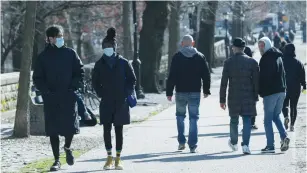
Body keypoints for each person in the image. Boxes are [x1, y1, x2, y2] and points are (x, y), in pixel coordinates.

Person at [33, 25, 84, 171]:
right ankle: (56, 160)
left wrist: (73, 87)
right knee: (53, 130)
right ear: (49, 39)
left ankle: (67, 147)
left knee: (70, 127)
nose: (59, 38)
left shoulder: (70, 53)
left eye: (60, 35)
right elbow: (37, 77)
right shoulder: (43, 57)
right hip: (51, 97)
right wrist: (46, 91)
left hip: (68, 96)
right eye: (56, 36)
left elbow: (79, 72)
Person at [92, 27, 136, 170]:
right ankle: (109, 157)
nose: (107, 49)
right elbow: (95, 82)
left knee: (119, 130)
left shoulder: (123, 62)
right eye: (105, 47)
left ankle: (118, 158)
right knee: (106, 129)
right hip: (106, 101)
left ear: (114, 48)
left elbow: (132, 79)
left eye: (110, 47)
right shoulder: (99, 64)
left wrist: (126, 92)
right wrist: (100, 93)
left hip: (121, 101)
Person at [166, 34, 211, 153]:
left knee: (180, 116)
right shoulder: (200, 57)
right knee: (194, 118)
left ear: (182, 44)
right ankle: (192, 145)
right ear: (193, 43)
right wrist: (206, 90)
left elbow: (172, 76)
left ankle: (181, 142)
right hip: (195, 91)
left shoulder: (177, 57)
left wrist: (169, 92)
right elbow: (206, 75)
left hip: (180, 91)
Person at [220, 38, 259, 154]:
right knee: (247, 120)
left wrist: (222, 99)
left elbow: (224, 83)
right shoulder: (252, 62)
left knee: (234, 120)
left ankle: (234, 142)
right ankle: (246, 145)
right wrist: (256, 96)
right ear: (243, 48)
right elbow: (256, 81)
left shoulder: (228, 62)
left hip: (233, 96)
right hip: (248, 95)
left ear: (234, 48)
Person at [258, 37, 290, 153]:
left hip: (270, 92)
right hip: (281, 91)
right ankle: (284, 136)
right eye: (259, 45)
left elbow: (264, 78)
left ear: (267, 45)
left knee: (267, 120)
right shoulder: (278, 56)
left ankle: (270, 145)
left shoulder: (266, 59)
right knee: (276, 116)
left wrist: (260, 92)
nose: (260, 48)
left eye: (262, 45)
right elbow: (283, 74)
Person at [282, 44, 306, 131]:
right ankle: (292, 125)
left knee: (284, 104)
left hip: (284, 87)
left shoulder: (282, 61)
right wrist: (304, 86)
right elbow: (302, 76)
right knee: (294, 106)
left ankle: (286, 116)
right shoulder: (298, 63)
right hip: (295, 87)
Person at [243, 46, 258, 130]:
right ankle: (252, 123)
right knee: (253, 107)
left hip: (243, 88)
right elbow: (256, 77)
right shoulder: (253, 62)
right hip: (252, 88)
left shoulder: (241, 63)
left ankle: (246, 124)